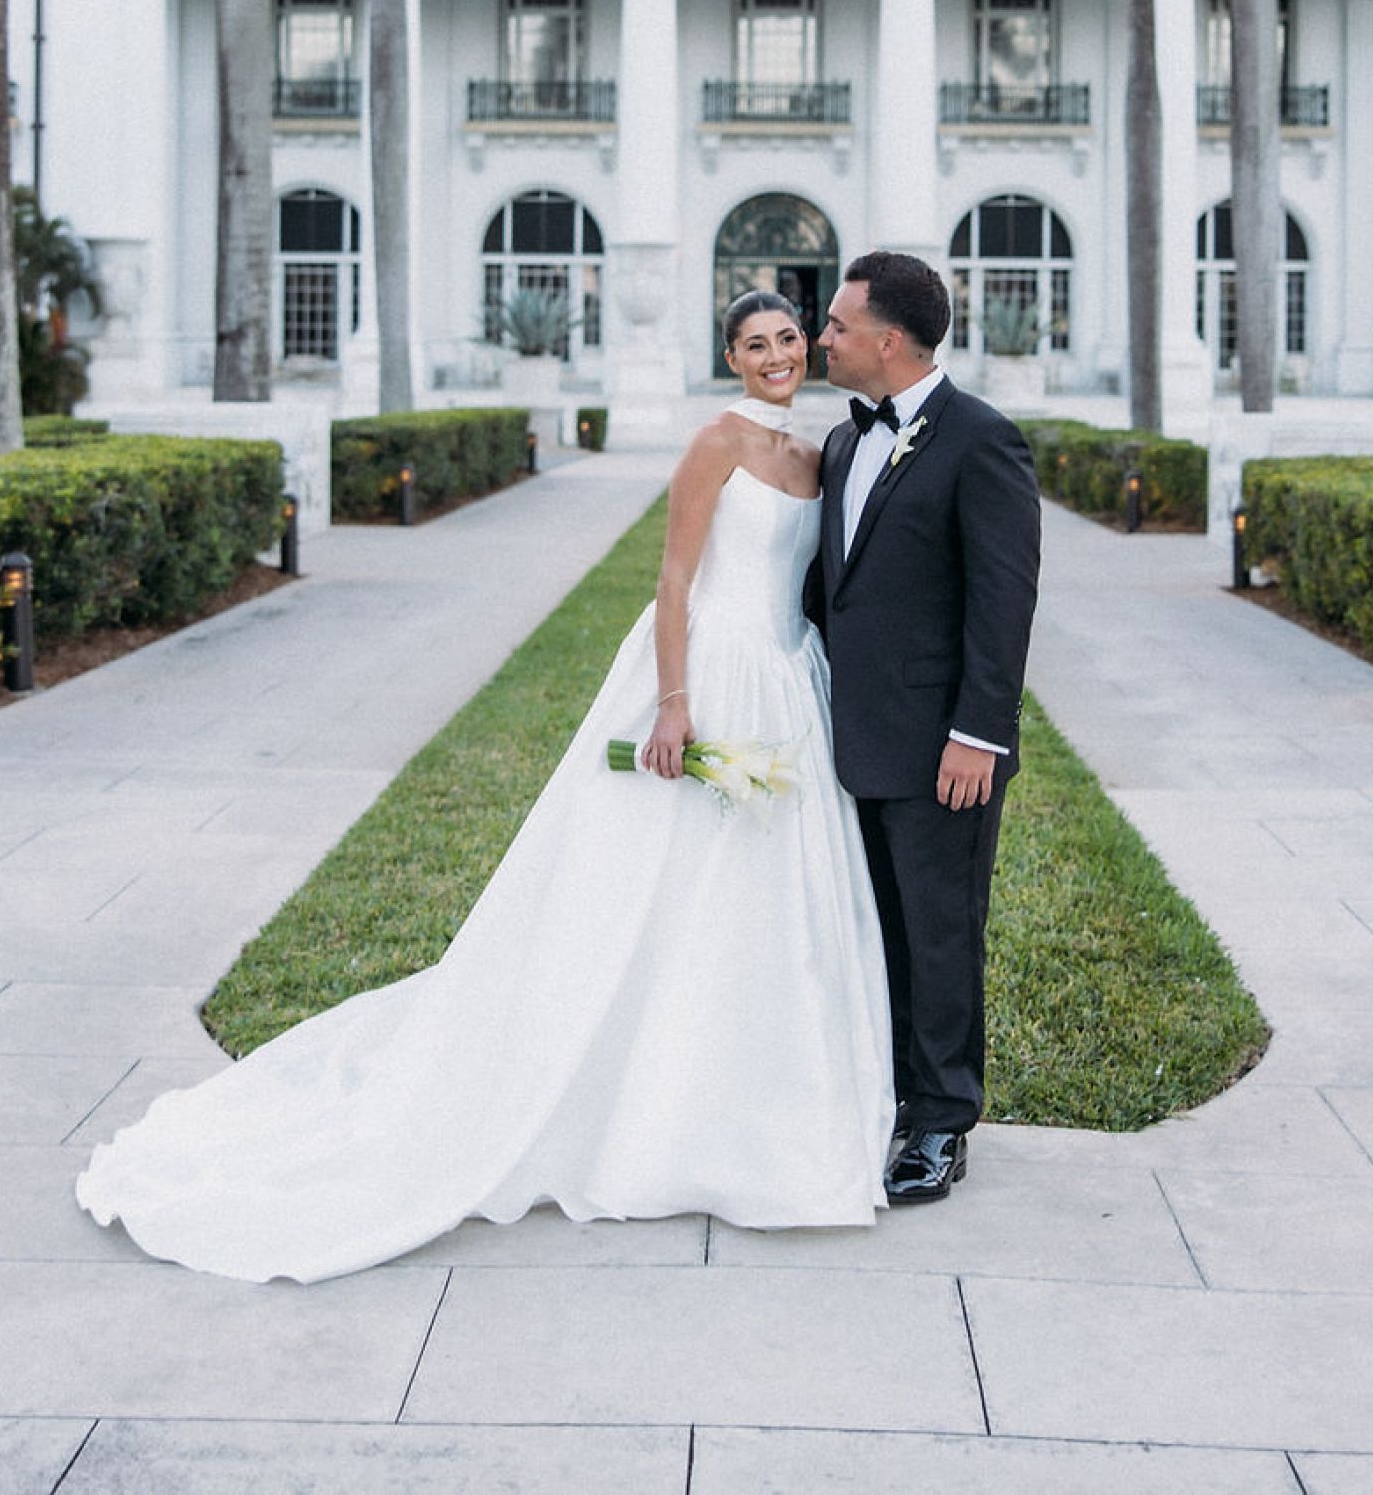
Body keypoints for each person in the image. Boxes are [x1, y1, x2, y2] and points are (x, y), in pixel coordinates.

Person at [75, 293, 892, 1281]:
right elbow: (674, 583)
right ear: (728, 355)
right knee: (654, 886)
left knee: (764, 897)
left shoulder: (816, 456)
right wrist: (673, 706)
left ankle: (747, 1102)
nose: (775, 357)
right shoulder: (714, 443)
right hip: (708, 675)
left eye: (788, 341)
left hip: (785, 683)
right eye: (754, 345)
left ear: (809, 348)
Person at [811, 249, 1040, 1204]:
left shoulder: (982, 440)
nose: (822, 338)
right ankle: (890, 1096)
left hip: (943, 746)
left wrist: (977, 736)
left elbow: (1004, 601)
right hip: (848, 737)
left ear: (888, 340)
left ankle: (942, 1120)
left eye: (834, 325)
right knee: (878, 931)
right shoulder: (840, 441)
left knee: (942, 932)